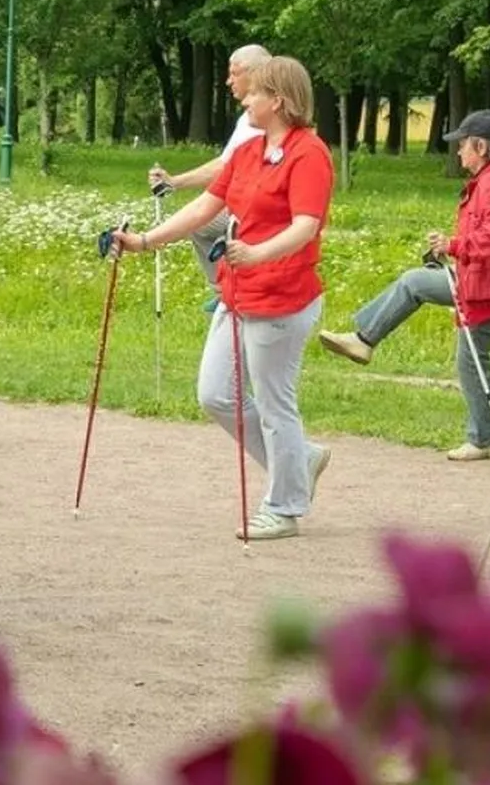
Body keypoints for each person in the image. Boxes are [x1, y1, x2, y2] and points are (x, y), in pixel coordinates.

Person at [111, 55, 335, 541]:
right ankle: (301, 459)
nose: (245, 98)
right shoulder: (248, 151)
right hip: (240, 292)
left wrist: (257, 255)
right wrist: (145, 241)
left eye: (254, 92)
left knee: (276, 403)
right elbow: (205, 208)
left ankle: (285, 506)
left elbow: (305, 226)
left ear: (278, 100)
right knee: (214, 393)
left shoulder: (309, 153)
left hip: (283, 296)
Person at [317, 110, 490, 462]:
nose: (458, 152)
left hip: (487, 287)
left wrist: (453, 246)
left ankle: (482, 438)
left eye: (463, 145)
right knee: (424, 295)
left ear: (480, 146)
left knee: (465, 352)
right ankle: (364, 341)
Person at [146, 43, 270, 313]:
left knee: (204, 222)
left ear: (256, 72)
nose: (228, 81)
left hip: (258, 208)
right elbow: (227, 165)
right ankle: (224, 290)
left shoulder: (261, 117)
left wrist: (174, 183)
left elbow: (225, 169)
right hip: (247, 201)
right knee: (203, 223)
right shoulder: (249, 117)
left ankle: (228, 291)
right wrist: (174, 182)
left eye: (234, 73)